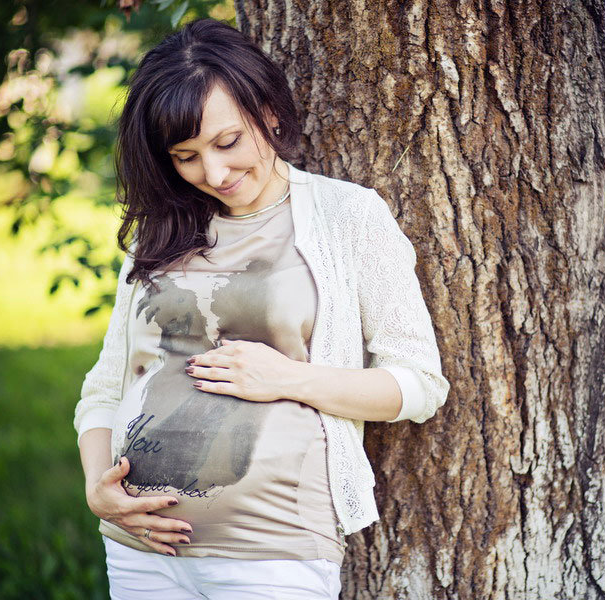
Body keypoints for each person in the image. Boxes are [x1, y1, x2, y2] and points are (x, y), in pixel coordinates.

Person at [72, 17, 450, 600]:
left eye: (227, 143)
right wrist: (99, 486)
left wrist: (289, 378)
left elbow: (420, 385)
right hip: (139, 550)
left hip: (274, 551)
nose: (214, 174)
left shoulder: (347, 217)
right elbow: (104, 388)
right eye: (186, 156)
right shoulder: (160, 233)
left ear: (269, 110)